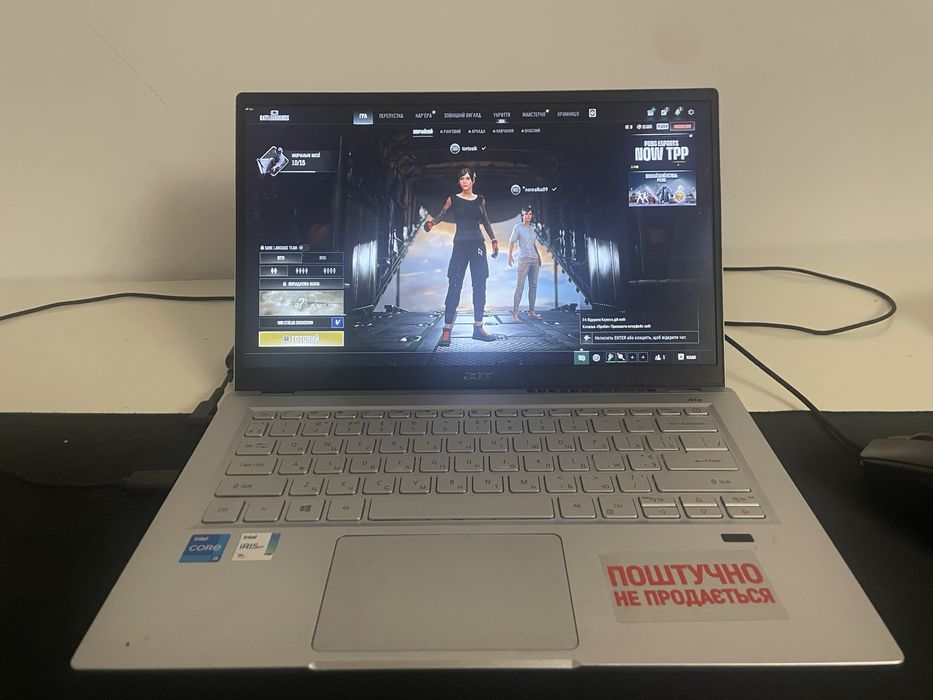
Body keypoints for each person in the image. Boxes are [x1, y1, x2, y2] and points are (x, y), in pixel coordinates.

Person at [423, 168, 499, 346]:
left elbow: (485, 220)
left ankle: (478, 328)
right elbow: (442, 214)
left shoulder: (480, 200)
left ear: (473, 180)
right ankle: (447, 331)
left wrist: (494, 240)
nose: (465, 181)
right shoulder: (453, 199)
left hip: (478, 245)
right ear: (459, 182)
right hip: (460, 245)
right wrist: (432, 223)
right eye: (461, 179)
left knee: (479, 285)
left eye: (467, 178)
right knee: (454, 285)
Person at [508, 205, 542, 321]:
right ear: (522, 216)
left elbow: (533, 244)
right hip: (524, 259)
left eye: (530, 214)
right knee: (520, 287)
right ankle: (515, 314)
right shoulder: (518, 227)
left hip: (534, 260)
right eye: (526, 214)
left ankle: (532, 312)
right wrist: (510, 255)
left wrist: (539, 257)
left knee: (533, 286)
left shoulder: (533, 228)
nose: (528, 216)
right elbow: (512, 241)